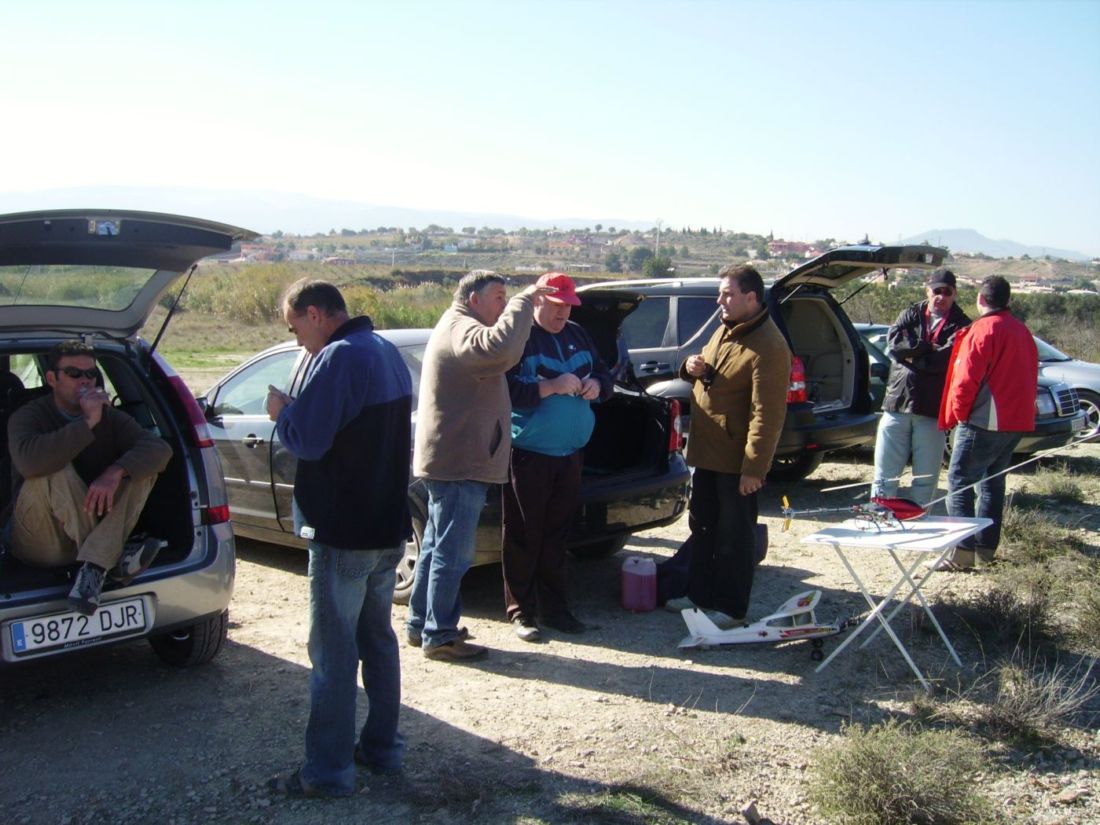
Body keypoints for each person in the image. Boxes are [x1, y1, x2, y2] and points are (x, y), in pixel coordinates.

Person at [265, 279, 413, 797]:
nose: (298, 339)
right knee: (378, 641)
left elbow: (309, 441)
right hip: (386, 526)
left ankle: (328, 773)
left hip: (344, 529)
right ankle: (383, 750)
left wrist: (283, 413)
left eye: (295, 328)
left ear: (315, 314)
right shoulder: (386, 351)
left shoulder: (340, 356)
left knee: (333, 654)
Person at [407, 270, 552, 661]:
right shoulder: (462, 328)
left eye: (507, 297)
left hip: (453, 459)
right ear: (474, 299)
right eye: (499, 297)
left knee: (437, 546)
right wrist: (524, 302)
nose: (504, 304)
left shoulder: (456, 324)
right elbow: (499, 350)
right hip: (460, 462)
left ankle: (422, 624)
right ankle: (440, 635)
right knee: (452, 553)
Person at [665, 265, 791, 626]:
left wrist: (754, 469)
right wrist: (691, 367)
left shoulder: (770, 346)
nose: (719, 300)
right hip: (707, 453)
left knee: (735, 537)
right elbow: (712, 371)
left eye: (727, 294)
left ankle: (731, 608)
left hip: (737, 461)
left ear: (751, 298)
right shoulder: (726, 327)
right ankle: (699, 594)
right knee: (703, 527)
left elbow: (767, 415)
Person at [7, 341, 171, 616]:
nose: (85, 380)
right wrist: (88, 423)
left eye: (91, 374)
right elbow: (30, 464)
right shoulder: (27, 416)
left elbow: (159, 449)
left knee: (140, 468)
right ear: (52, 379)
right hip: (40, 538)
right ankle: (112, 559)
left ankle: (95, 566)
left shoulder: (110, 418)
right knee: (53, 468)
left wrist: (115, 472)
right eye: (74, 373)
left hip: (87, 539)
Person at [502, 272, 613, 642]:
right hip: (530, 454)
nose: (563, 312)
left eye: (568, 306)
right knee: (523, 534)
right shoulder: (521, 338)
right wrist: (550, 386)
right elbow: (506, 390)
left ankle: (556, 609)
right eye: (556, 305)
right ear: (537, 301)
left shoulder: (578, 334)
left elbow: (604, 374)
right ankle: (521, 612)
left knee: (557, 535)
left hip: (570, 454)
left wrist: (598, 385)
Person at [936, 275, 1038, 571]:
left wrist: (958, 414)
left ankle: (961, 553)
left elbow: (965, 379)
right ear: (1008, 301)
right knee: (993, 484)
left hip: (983, 421)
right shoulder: (1021, 330)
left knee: (959, 482)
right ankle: (985, 550)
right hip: (1015, 422)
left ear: (980, 299)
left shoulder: (983, 329)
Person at [871, 269, 970, 506]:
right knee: (884, 474)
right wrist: (928, 348)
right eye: (936, 291)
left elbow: (943, 361)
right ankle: (880, 515)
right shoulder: (911, 313)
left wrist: (911, 356)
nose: (941, 296)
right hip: (896, 404)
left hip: (931, 409)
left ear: (954, 294)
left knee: (925, 477)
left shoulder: (962, 324)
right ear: (928, 291)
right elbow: (894, 345)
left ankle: (919, 516)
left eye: (947, 292)